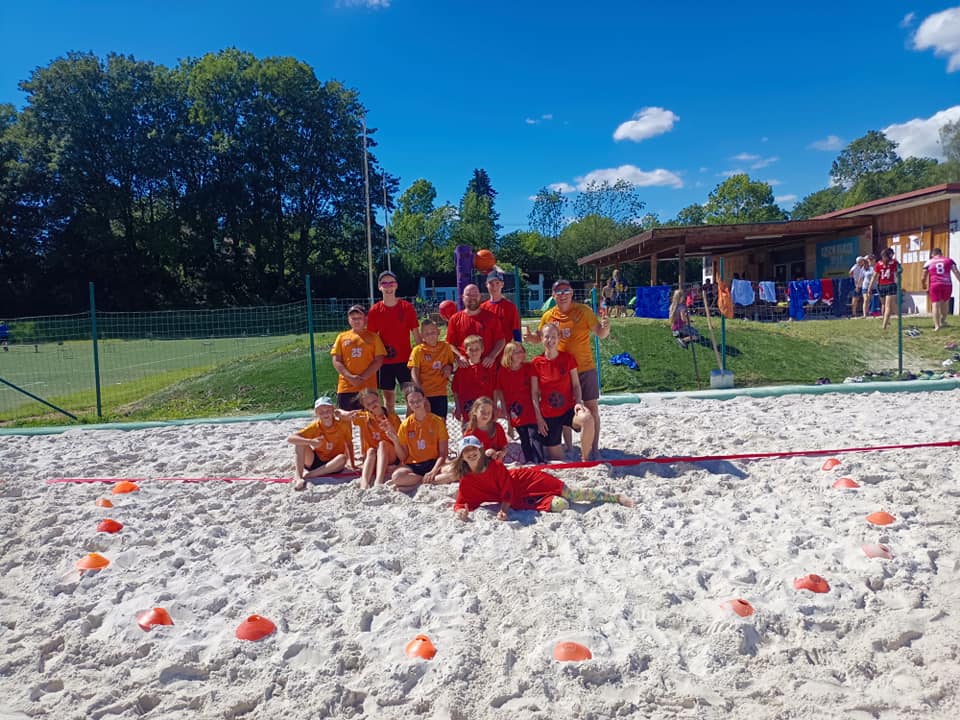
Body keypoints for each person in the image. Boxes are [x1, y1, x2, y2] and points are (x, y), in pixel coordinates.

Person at [450, 436, 634, 521]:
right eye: (467, 452)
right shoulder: (466, 479)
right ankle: (552, 500)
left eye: (473, 449)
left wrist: (504, 510)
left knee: (571, 494)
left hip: (526, 480)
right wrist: (461, 512)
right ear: (462, 457)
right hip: (520, 498)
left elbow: (506, 489)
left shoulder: (494, 466)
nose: (471, 454)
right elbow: (461, 502)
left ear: (480, 450)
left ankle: (616, 497)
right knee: (562, 505)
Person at [524, 278, 609, 459]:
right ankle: (570, 447)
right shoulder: (549, 315)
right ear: (553, 295)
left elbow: (601, 334)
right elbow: (541, 337)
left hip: (584, 368)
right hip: (561, 370)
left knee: (591, 409)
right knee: (562, 409)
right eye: (559, 292)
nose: (563, 295)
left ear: (572, 293)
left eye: (566, 291)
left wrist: (607, 326)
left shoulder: (583, 311)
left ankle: (594, 449)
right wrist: (530, 337)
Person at [530, 323, 595, 462]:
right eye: (547, 337)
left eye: (554, 336)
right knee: (557, 457)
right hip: (548, 415)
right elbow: (534, 393)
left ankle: (585, 458)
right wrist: (539, 418)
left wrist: (578, 403)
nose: (550, 340)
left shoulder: (567, 359)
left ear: (559, 338)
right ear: (541, 338)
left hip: (568, 410)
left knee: (588, 419)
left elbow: (576, 385)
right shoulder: (536, 362)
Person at [366, 270, 422, 416]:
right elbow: (371, 339)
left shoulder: (406, 308)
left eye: (391, 283)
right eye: (385, 283)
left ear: (396, 286)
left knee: (411, 397)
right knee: (389, 400)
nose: (388, 286)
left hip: (406, 360)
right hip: (385, 362)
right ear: (380, 287)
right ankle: (393, 429)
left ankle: (408, 429)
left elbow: (416, 335)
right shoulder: (375, 311)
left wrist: (422, 357)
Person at [287, 397, 355, 491]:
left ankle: (309, 475)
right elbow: (291, 438)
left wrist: (352, 464)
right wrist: (311, 442)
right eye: (321, 411)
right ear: (316, 413)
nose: (325, 413)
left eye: (327, 410)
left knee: (342, 458)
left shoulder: (342, 425)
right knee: (300, 443)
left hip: (333, 463)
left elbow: (349, 443)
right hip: (315, 461)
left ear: (333, 410)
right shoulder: (315, 426)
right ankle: (298, 477)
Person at [389, 385, 448, 488]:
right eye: (412, 401)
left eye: (418, 400)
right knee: (397, 476)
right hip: (414, 465)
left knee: (455, 470)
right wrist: (395, 441)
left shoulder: (437, 421)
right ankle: (426, 480)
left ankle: (427, 479)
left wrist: (433, 471)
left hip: (433, 462)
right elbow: (403, 457)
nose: (416, 404)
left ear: (424, 399)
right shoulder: (405, 425)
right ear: (407, 404)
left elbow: (443, 454)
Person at [495, 341, 545, 464]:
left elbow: (535, 389)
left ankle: (540, 459)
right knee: (524, 436)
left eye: (522, 351)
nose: (521, 354)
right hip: (515, 410)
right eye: (517, 352)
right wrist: (507, 416)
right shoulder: (503, 372)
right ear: (509, 354)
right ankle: (529, 460)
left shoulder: (528, 368)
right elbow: (501, 393)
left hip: (529, 406)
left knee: (534, 433)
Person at [330, 305, 386, 410]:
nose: (356, 321)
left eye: (359, 318)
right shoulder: (341, 337)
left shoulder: (373, 337)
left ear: (365, 319)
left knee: (369, 420)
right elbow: (336, 360)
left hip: (367, 387)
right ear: (348, 320)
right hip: (346, 387)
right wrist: (350, 377)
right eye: (353, 318)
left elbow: (378, 360)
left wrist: (362, 378)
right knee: (345, 420)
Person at [344, 388, 401, 489]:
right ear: (365, 406)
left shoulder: (392, 418)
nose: (373, 405)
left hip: (389, 454)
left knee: (382, 444)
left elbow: (401, 442)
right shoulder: (364, 417)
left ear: (379, 399)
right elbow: (338, 414)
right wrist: (347, 414)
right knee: (370, 450)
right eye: (369, 404)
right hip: (372, 456)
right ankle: (364, 483)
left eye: (374, 401)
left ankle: (378, 481)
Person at [446, 284, 505, 368]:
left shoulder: (491, 317)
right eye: (468, 295)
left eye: (475, 295)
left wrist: (492, 356)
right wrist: (458, 357)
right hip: (465, 368)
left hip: (487, 368)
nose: (472, 298)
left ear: (480, 296)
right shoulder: (454, 319)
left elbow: (501, 340)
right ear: (463, 297)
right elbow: (450, 344)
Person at [407, 317, 455, 419]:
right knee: (424, 423)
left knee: (440, 423)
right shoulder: (418, 350)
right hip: (424, 394)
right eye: (427, 333)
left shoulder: (446, 347)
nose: (431, 335)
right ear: (422, 336)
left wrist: (449, 367)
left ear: (438, 332)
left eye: (433, 332)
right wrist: (421, 394)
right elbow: (414, 374)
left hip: (440, 392)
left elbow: (451, 364)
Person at [451, 334, 496, 424]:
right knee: (469, 433)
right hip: (467, 408)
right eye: (471, 350)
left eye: (477, 349)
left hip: (485, 409)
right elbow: (456, 390)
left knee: (486, 434)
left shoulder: (488, 367)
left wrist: (494, 407)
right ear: (466, 351)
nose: (474, 352)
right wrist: (458, 408)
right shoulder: (462, 369)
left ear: (482, 350)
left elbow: (495, 389)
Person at [481, 269, 522, 356]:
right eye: (491, 284)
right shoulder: (482, 308)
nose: (494, 287)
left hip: (505, 352)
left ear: (502, 284)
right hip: (487, 352)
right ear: (486, 285)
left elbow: (516, 331)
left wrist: (518, 349)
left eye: (497, 283)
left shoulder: (510, 307)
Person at [922, 248, 960, 331]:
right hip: (947, 284)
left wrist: (923, 284)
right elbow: (956, 271)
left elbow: (924, 275)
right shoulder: (949, 260)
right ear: (941, 253)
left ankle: (937, 326)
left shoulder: (929, 262)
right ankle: (942, 320)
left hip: (935, 284)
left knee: (935, 304)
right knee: (945, 303)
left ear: (932, 254)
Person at [463, 396, 507, 462]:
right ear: (475, 411)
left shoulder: (497, 427)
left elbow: (504, 448)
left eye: (489, 412)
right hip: (479, 465)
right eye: (482, 412)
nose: (485, 415)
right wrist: (486, 454)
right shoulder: (470, 432)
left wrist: (501, 453)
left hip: (496, 464)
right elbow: (468, 454)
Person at [867, 248, 900, 330]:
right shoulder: (894, 262)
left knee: (884, 305)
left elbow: (874, 276)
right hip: (890, 285)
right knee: (889, 306)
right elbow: (898, 273)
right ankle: (884, 325)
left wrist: (869, 287)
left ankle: (887, 320)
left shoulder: (879, 263)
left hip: (881, 285)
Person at [860, 254, 876, 319]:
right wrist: (858, 286)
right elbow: (861, 278)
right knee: (866, 299)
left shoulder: (874, 267)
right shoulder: (864, 268)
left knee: (871, 299)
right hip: (865, 286)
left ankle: (872, 312)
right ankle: (865, 314)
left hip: (873, 286)